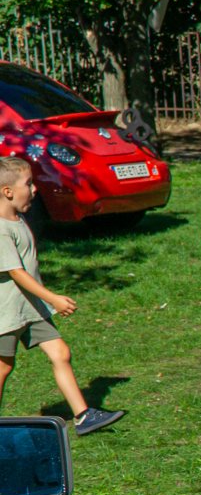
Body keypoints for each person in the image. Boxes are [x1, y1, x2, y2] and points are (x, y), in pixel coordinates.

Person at [0, 156, 125, 434]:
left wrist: (44, 302)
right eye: (28, 184)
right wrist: (53, 298)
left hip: (32, 308)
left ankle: (83, 416)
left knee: (60, 352)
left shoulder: (18, 219)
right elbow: (17, 273)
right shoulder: (1, 229)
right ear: (8, 192)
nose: (34, 189)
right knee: (3, 368)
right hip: (7, 313)